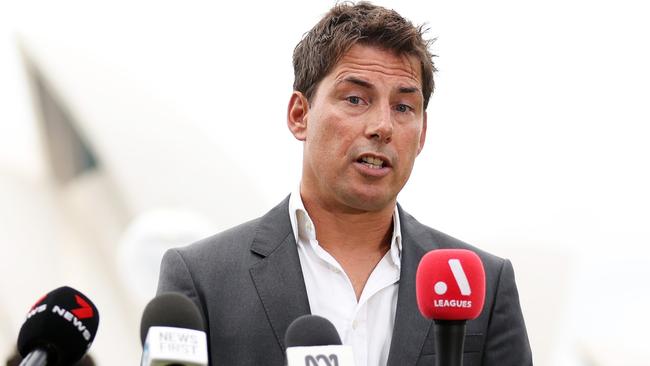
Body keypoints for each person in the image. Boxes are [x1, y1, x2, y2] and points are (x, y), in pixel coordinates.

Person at [157, 2, 532, 365]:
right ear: (300, 114)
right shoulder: (203, 278)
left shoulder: (481, 284)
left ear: (422, 135)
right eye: (355, 99)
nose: (382, 126)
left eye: (403, 107)